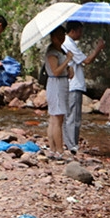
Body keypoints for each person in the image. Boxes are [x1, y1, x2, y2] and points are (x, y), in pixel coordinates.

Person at [62, 21, 105, 154]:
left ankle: (69, 143)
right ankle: (72, 145)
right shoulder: (68, 43)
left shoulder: (68, 42)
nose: (81, 34)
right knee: (73, 117)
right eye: (80, 31)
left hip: (71, 84)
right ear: (73, 31)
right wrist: (98, 48)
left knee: (70, 115)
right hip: (73, 84)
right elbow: (86, 60)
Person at [44, 26, 73, 157]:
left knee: (54, 118)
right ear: (53, 37)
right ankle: (59, 150)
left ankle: (53, 149)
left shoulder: (61, 50)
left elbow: (69, 74)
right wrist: (67, 60)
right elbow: (55, 71)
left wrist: (69, 63)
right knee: (57, 118)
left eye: (63, 35)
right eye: (58, 36)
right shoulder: (52, 52)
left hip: (62, 83)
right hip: (55, 84)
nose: (61, 38)